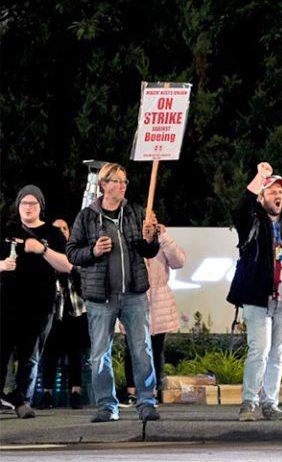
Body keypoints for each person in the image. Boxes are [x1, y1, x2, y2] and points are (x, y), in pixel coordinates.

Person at [66, 163, 161, 423]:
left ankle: (146, 401)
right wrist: (94, 251)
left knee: (141, 348)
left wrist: (151, 239)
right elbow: (72, 252)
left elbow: (148, 251)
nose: (123, 186)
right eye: (117, 181)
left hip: (134, 294)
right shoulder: (87, 216)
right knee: (100, 352)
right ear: (104, 184)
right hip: (101, 297)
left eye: (124, 181)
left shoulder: (136, 212)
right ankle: (107, 405)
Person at [228, 162, 282, 422]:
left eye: (281, 192)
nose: (278, 196)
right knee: (259, 350)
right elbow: (241, 207)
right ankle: (249, 403)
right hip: (258, 297)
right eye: (272, 191)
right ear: (261, 197)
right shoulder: (251, 221)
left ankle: (270, 404)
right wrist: (259, 177)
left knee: (277, 353)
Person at [0, 185, 72, 418]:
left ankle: (23, 400)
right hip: (7, 302)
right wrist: (1, 265)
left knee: (30, 354)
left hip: (40, 303)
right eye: (24, 203)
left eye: (33, 203)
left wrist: (41, 250)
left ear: (40, 206)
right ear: (18, 206)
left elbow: (68, 265)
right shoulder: (7, 230)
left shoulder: (53, 234)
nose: (28, 207)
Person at [122, 221, 186, 405]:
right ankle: (132, 391)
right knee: (132, 347)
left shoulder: (162, 241)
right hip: (134, 296)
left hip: (159, 300)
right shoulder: (131, 239)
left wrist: (164, 237)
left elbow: (178, 261)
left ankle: (154, 390)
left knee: (156, 348)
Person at [39, 219, 90, 410]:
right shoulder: (47, 253)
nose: (61, 231)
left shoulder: (75, 251)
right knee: (49, 354)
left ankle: (75, 393)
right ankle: (47, 393)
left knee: (74, 353)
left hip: (75, 308)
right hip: (53, 310)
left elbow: (82, 274)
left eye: (64, 228)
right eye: (57, 229)